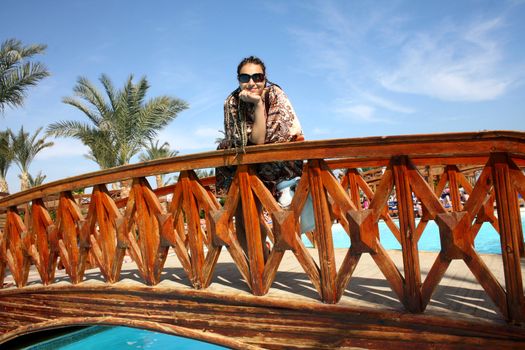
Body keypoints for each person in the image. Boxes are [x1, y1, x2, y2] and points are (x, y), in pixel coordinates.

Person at [215, 56, 305, 256]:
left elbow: (265, 142)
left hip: (280, 162)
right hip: (245, 165)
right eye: (245, 77)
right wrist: (256, 106)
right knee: (244, 219)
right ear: (238, 79)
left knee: (285, 216)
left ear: (265, 78)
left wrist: (257, 105)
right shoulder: (232, 101)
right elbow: (252, 142)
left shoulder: (275, 94)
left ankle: (269, 262)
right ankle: (261, 265)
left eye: (257, 76)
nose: (251, 82)